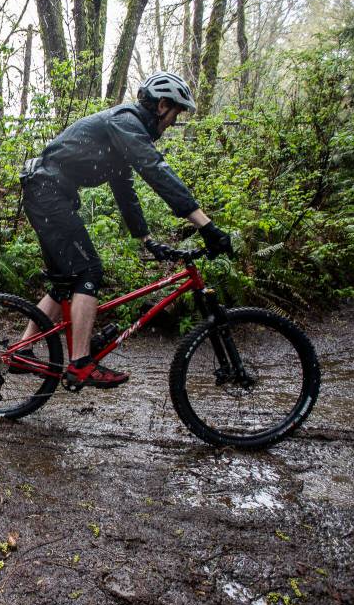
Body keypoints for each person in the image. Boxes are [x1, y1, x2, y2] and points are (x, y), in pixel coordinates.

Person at [18, 71, 233, 388]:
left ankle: (21, 351)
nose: (174, 122)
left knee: (65, 281)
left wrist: (146, 239)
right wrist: (206, 225)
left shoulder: (123, 131)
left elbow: (125, 191)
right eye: (176, 113)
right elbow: (156, 170)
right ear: (162, 105)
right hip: (47, 194)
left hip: (49, 195)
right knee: (88, 270)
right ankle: (81, 364)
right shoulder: (126, 120)